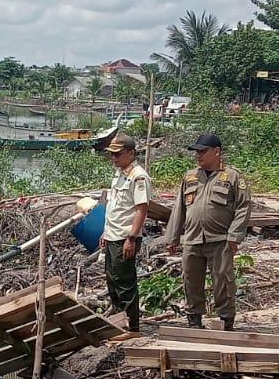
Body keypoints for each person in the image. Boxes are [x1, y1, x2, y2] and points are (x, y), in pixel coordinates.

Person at [164, 132, 252, 330]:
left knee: (223, 280)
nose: (199, 155)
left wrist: (235, 235)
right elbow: (180, 208)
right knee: (191, 280)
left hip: (220, 239)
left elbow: (244, 207)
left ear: (217, 152)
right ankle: (194, 319)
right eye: (197, 152)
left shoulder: (232, 177)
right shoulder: (190, 176)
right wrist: (173, 237)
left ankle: (226, 320)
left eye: (203, 151)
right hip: (193, 238)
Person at [100, 133, 150, 331]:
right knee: (112, 280)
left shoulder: (138, 176)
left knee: (125, 283)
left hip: (124, 238)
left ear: (131, 153)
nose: (114, 158)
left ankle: (132, 328)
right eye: (111, 155)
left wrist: (131, 238)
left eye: (118, 154)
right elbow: (115, 207)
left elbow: (141, 209)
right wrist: (105, 232)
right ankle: (120, 323)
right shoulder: (120, 174)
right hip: (113, 235)